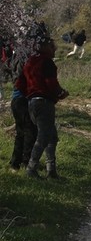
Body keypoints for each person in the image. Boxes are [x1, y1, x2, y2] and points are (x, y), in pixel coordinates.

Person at [18, 34, 69, 178]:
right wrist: (61, 93)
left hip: (32, 102)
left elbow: (20, 84)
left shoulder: (29, 61)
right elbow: (51, 84)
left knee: (51, 137)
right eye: (53, 47)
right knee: (43, 137)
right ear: (45, 48)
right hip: (44, 103)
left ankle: (51, 170)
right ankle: (31, 168)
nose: (55, 50)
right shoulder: (47, 62)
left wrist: (29, 94)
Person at [8, 41, 37, 171]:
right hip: (22, 99)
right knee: (29, 130)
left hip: (17, 98)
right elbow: (23, 80)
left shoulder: (16, 58)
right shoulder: (23, 60)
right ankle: (26, 162)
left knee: (21, 132)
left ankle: (16, 162)